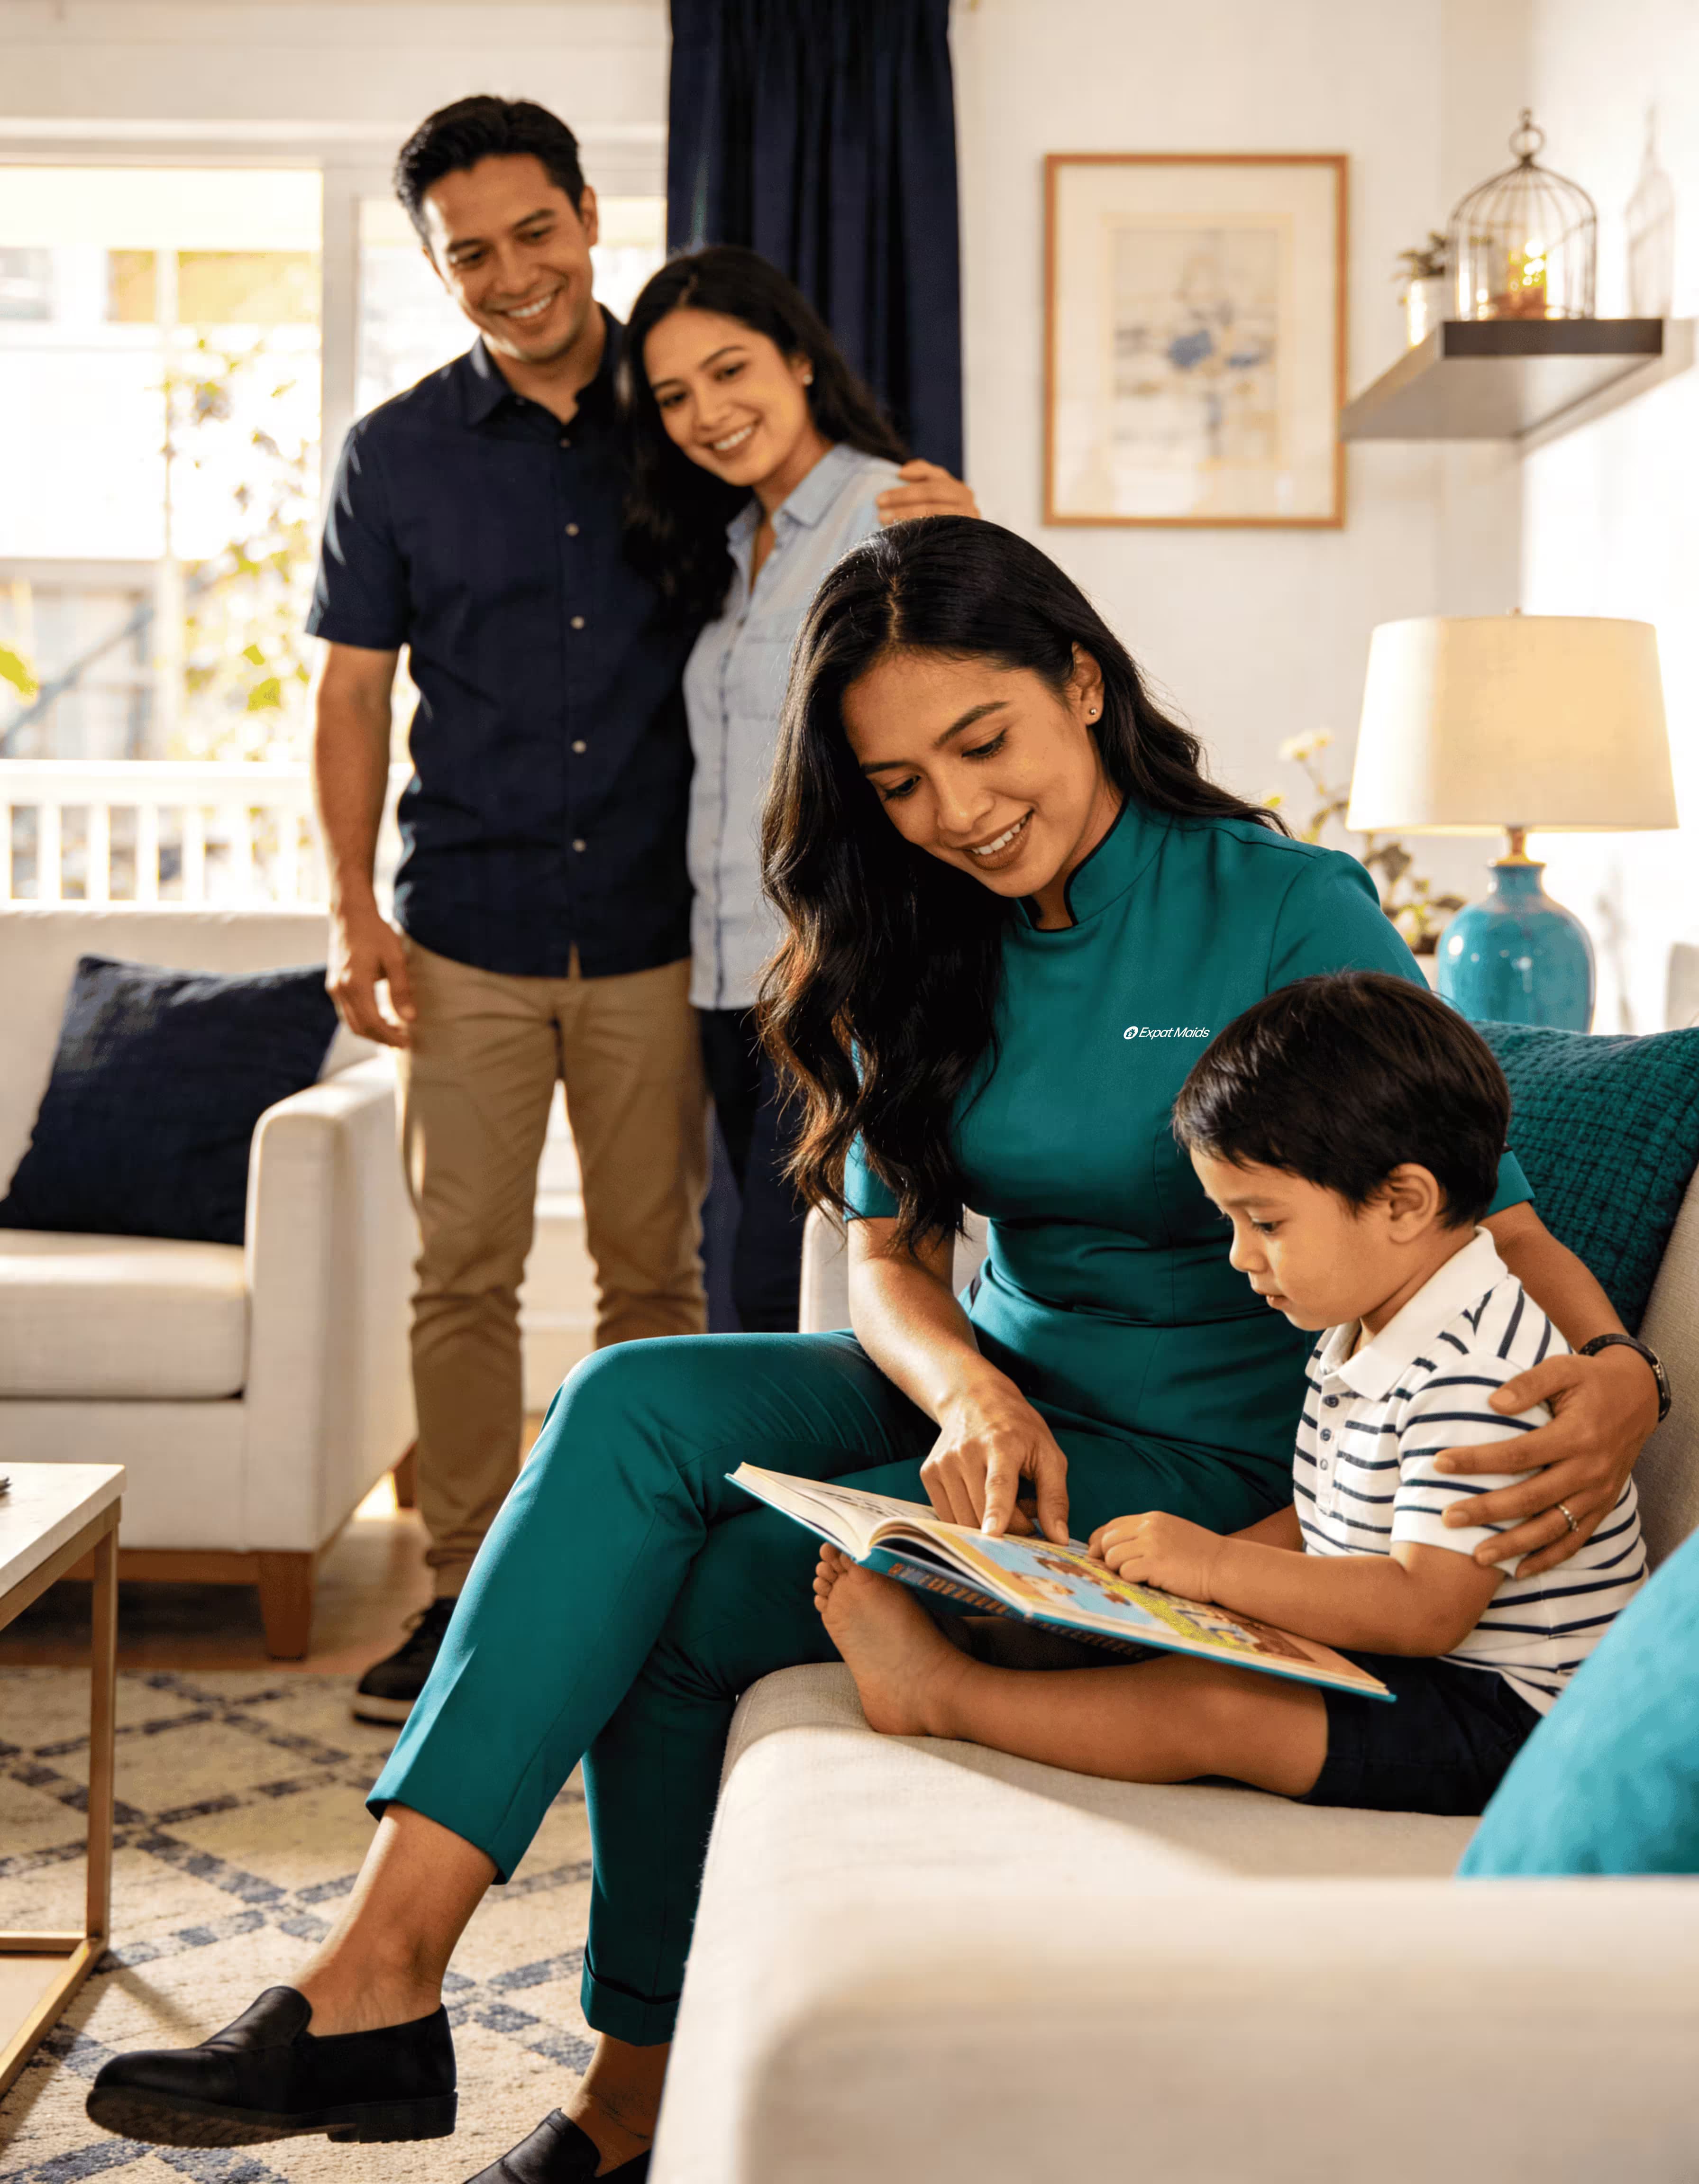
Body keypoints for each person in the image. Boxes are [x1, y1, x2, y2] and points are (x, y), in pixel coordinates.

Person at [89, 521, 1664, 2180]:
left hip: (1204, 1464)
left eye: (982, 745)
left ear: (1080, 681)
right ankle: (377, 1973)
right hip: (983, 1392)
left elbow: (1478, 1194)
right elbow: (888, 1257)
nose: (958, 810)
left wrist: (1619, 1363)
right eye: (900, 780)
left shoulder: (1279, 900)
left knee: (698, 1602)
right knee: (629, 1394)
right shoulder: (905, 918)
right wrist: (971, 1384)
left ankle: (626, 2096)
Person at [306, 97, 976, 1724]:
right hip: (461, 919)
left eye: (537, 231)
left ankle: (650, 1569)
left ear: (587, 214)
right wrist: (348, 911)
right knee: (458, 1269)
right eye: (471, 253)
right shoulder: (396, 453)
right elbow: (347, 694)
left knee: (657, 1274)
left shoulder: (681, 418)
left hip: (664, 937)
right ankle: (466, 1574)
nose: (513, 274)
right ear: (438, 268)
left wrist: (933, 528)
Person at [814, 970, 1648, 1813]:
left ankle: (941, 1696)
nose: (1241, 1258)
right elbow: (1328, 1519)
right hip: (1425, 1667)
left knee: (1221, 1708)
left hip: (1523, 1718)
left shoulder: (1479, 1370)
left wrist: (1214, 1565)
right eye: (1232, 1222)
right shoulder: (1366, 1324)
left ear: (1402, 1202)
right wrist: (1161, 1592)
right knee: (1180, 1633)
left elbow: (1427, 1610)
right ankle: (1024, 1641)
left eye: (1268, 1223)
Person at [622, 245, 913, 1332]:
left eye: (729, 369)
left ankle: (819, 1506)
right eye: (674, 396)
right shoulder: (729, 540)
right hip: (722, 974)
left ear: (798, 360)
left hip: (827, 969)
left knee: (799, 1284)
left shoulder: (890, 512)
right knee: (745, 1273)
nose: (707, 412)